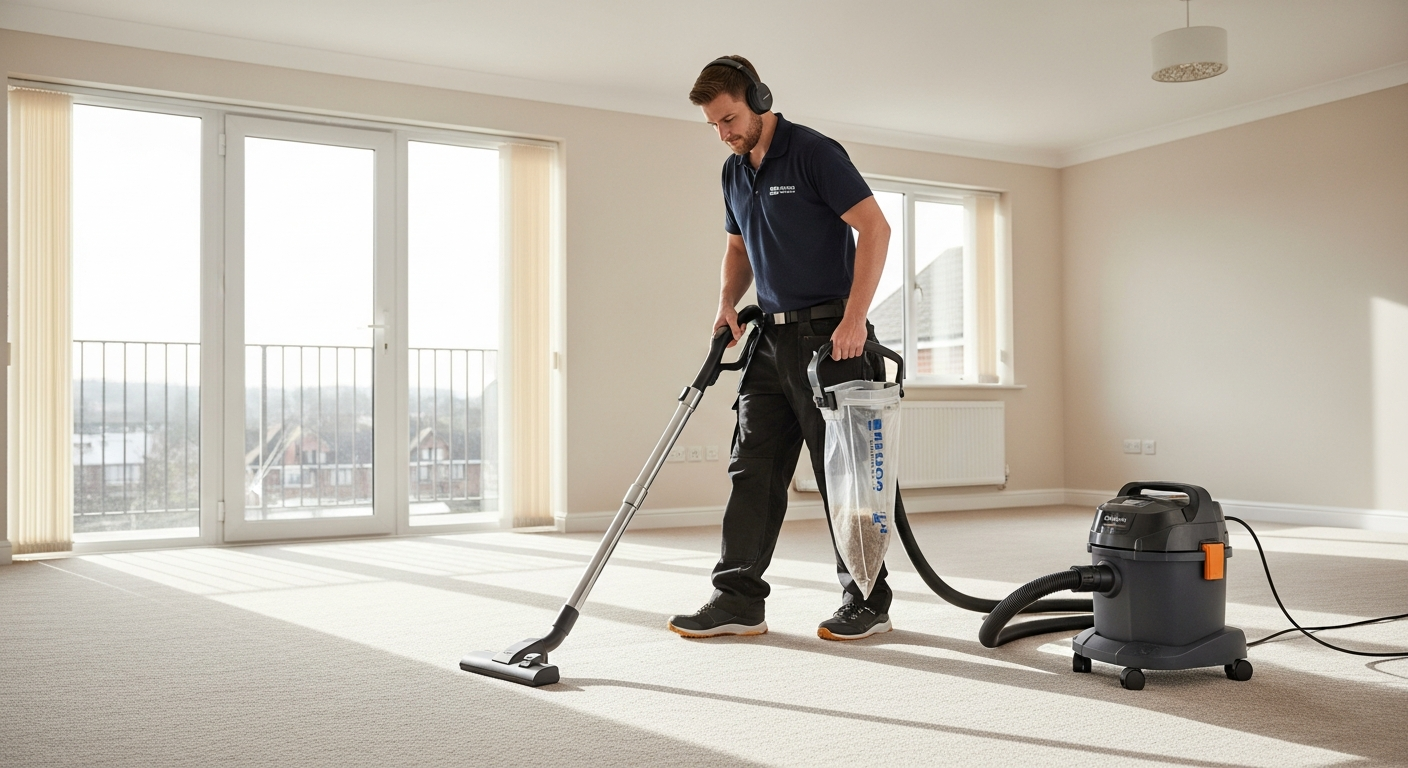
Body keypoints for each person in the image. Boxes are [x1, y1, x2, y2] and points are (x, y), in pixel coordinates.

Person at [668, 56, 896, 642]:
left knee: (844, 475)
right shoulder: (733, 171)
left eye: (730, 118)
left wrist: (855, 320)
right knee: (753, 467)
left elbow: (875, 229)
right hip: (769, 339)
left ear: (760, 98)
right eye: (714, 125)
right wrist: (726, 300)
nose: (724, 133)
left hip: (832, 341)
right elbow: (739, 249)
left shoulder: (815, 152)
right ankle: (738, 599)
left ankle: (867, 599)